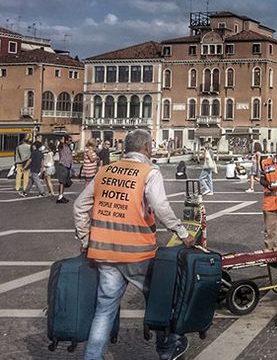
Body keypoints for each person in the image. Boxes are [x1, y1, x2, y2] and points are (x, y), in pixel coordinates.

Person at [73, 129, 195, 360]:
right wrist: (181, 232)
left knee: (104, 309)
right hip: (138, 254)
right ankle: (167, 349)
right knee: (160, 299)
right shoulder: (149, 172)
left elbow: (79, 206)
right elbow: (160, 207)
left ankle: (92, 357)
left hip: (104, 252)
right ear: (147, 148)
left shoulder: (105, 171)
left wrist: (85, 239)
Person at [56, 135, 74, 203]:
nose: (71, 142)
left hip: (67, 166)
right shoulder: (62, 146)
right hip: (63, 166)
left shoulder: (68, 147)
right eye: (69, 140)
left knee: (65, 182)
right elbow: (59, 145)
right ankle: (60, 197)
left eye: (71, 140)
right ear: (65, 141)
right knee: (62, 182)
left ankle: (61, 196)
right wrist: (62, 140)